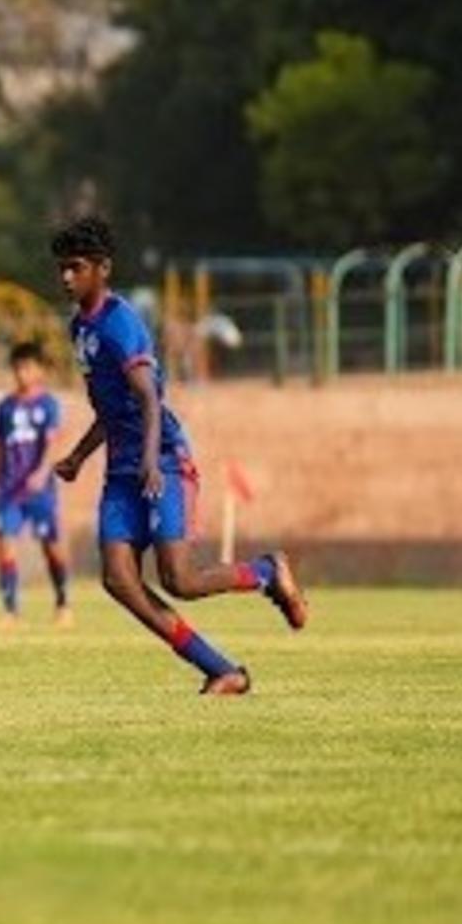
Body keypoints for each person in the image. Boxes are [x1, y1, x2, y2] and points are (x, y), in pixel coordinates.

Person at [46, 217, 307, 695]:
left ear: (102, 268)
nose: (66, 277)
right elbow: (112, 407)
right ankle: (222, 670)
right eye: (61, 268)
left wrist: (150, 461)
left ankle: (266, 572)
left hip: (162, 459)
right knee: (119, 579)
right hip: (122, 470)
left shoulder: (120, 323)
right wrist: (79, 456)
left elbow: (149, 399)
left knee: (180, 579)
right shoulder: (79, 327)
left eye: (76, 267)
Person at [0, 342, 72, 633]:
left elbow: (52, 443)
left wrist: (41, 472)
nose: (22, 373)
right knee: (4, 546)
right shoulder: (5, 407)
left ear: (39, 371)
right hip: (9, 491)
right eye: (17, 368)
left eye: (27, 368)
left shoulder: (48, 405)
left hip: (39, 490)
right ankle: (11, 612)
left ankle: (63, 604)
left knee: (51, 549)